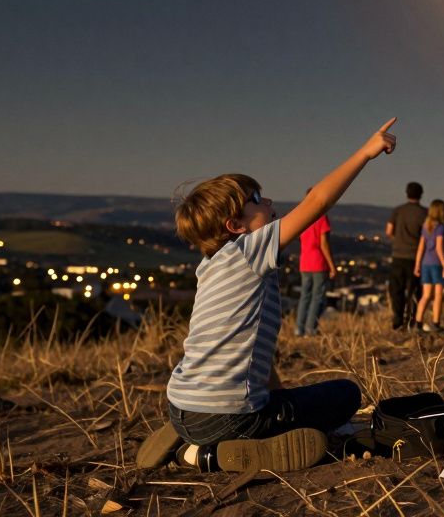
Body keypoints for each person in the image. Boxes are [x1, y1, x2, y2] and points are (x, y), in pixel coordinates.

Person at [135, 119, 398, 473]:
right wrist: (365, 153)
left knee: (283, 403)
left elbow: (253, 349)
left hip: (181, 404)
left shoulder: (210, 265)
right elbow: (317, 202)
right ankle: (210, 455)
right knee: (346, 394)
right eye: (256, 199)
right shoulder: (248, 250)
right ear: (235, 226)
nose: (270, 201)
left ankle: (190, 441)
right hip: (228, 416)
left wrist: (281, 397)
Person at [294, 189, 335, 336]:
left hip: (304, 262)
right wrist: (332, 265)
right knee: (317, 296)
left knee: (305, 296)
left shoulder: (302, 217)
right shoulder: (321, 218)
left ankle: (299, 328)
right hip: (318, 263)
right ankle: (311, 329)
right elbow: (324, 244)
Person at [385, 182, 426, 330]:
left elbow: (389, 231)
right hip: (416, 257)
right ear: (421, 194)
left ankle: (397, 318)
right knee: (414, 290)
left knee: (397, 289)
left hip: (398, 255)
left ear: (406, 193)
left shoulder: (398, 211)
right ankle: (411, 320)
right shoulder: (424, 213)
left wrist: (398, 240)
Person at [413, 199, 444, 333]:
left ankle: (418, 323)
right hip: (436, 264)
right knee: (438, 294)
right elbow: (439, 248)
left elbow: (420, 248)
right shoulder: (440, 227)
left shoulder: (425, 227)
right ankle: (436, 324)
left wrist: (417, 265)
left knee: (426, 295)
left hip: (425, 264)